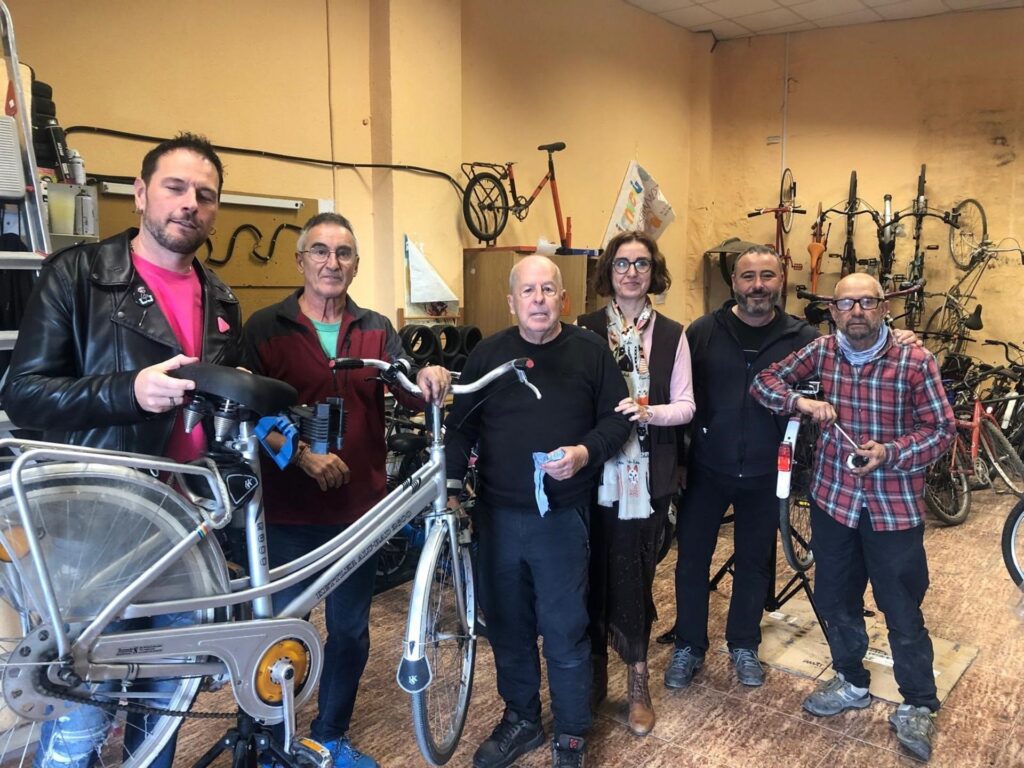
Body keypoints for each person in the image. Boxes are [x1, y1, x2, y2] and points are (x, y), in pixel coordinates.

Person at [2, 133, 243, 767]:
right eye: (175, 187)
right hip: (93, 532)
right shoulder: (78, 275)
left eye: (205, 195)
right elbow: (23, 394)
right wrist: (127, 391)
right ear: (140, 194)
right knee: (83, 706)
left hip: (183, 532)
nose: (190, 203)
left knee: (164, 707)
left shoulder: (222, 299)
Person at [241, 212, 450, 768]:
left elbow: (408, 388)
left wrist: (429, 375)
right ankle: (270, 742)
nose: (331, 263)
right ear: (300, 260)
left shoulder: (376, 327)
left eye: (344, 253)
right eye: (320, 251)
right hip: (288, 514)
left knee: (351, 632)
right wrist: (300, 456)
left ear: (355, 264)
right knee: (282, 632)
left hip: (359, 512)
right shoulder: (265, 328)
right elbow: (246, 413)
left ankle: (328, 737)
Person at [751, 273, 953, 763]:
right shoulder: (822, 352)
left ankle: (918, 703)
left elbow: (941, 429)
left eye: (867, 301)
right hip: (834, 502)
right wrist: (801, 402)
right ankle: (851, 680)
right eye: (846, 303)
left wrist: (891, 452)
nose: (856, 311)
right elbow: (763, 382)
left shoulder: (914, 360)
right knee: (835, 599)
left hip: (893, 508)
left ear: (884, 308)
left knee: (902, 609)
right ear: (833, 311)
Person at [444, 255, 630, 768]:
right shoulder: (489, 355)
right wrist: (452, 490)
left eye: (548, 289)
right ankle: (522, 720)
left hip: (562, 520)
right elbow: (460, 428)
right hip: (498, 519)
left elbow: (618, 422)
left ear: (563, 299)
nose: (539, 299)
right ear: (512, 302)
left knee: (565, 628)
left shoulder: (590, 352)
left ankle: (571, 731)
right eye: (528, 291)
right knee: (509, 627)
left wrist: (584, 453)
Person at [663, 245, 819, 692]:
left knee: (754, 562)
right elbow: (680, 398)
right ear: (733, 282)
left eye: (767, 276)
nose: (758, 286)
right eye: (748, 277)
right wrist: (679, 460)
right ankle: (689, 645)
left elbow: (840, 361)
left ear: (781, 281)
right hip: (706, 469)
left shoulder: (802, 337)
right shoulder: (702, 332)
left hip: (767, 472)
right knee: (691, 561)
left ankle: (744, 644)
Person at [576, 231, 694, 736]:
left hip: (648, 477)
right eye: (622, 263)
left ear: (653, 272)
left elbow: (686, 406)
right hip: (592, 475)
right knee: (589, 574)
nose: (631, 272)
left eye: (641, 263)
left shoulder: (672, 335)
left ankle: (638, 682)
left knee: (635, 577)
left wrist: (647, 412)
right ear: (609, 271)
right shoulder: (583, 330)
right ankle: (595, 674)